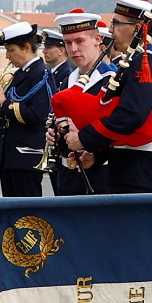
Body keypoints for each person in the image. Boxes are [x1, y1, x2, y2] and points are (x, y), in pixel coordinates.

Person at [63, 0, 152, 194]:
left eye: (116, 23)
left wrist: (85, 138)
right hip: (127, 166)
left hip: (141, 170)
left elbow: (131, 115)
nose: (110, 30)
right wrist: (97, 156)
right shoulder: (134, 60)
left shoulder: (145, 61)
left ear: (137, 28)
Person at [49, 11, 115, 196]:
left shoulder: (112, 81)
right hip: (67, 176)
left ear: (97, 40)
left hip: (100, 175)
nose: (73, 49)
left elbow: (119, 128)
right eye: (68, 43)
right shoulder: (67, 82)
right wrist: (56, 134)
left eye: (79, 41)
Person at [0, 23, 51, 198]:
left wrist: (4, 104)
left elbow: (37, 114)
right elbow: (11, 115)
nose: (7, 56)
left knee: (26, 208)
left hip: (26, 155)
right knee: (11, 208)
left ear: (26, 48)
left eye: (11, 50)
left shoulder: (41, 73)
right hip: (11, 156)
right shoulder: (21, 74)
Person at [42, 28, 72, 94]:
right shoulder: (49, 72)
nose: (44, 51)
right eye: (45, 47)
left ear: (61, 51)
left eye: (49, 47)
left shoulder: (67, 74)